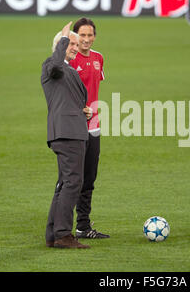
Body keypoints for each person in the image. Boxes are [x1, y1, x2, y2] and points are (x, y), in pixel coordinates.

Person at [41, 21, 93, 249]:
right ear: (60, 46)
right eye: (71, 43)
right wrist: (62, 41)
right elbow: (54, 67)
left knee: (65, 183)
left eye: (74, 43)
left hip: (72, 129)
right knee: (73, 182)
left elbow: (67, 99)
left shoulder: (68, 70)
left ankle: (53, 234)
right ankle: (63, 234)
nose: (75, 46)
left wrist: (85, 111)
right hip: (68, 133)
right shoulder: (52, 65)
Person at [69, 17, 109, 239]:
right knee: (70, 178)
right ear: (75, 37)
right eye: (82, 35)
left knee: (89, 179)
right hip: (73, 128)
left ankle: (83, 226)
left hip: (94, 127)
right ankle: (61, 226)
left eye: (90, 35)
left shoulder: (99, 58)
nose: (86, 39)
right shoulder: (69, 60)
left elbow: (93, 90)